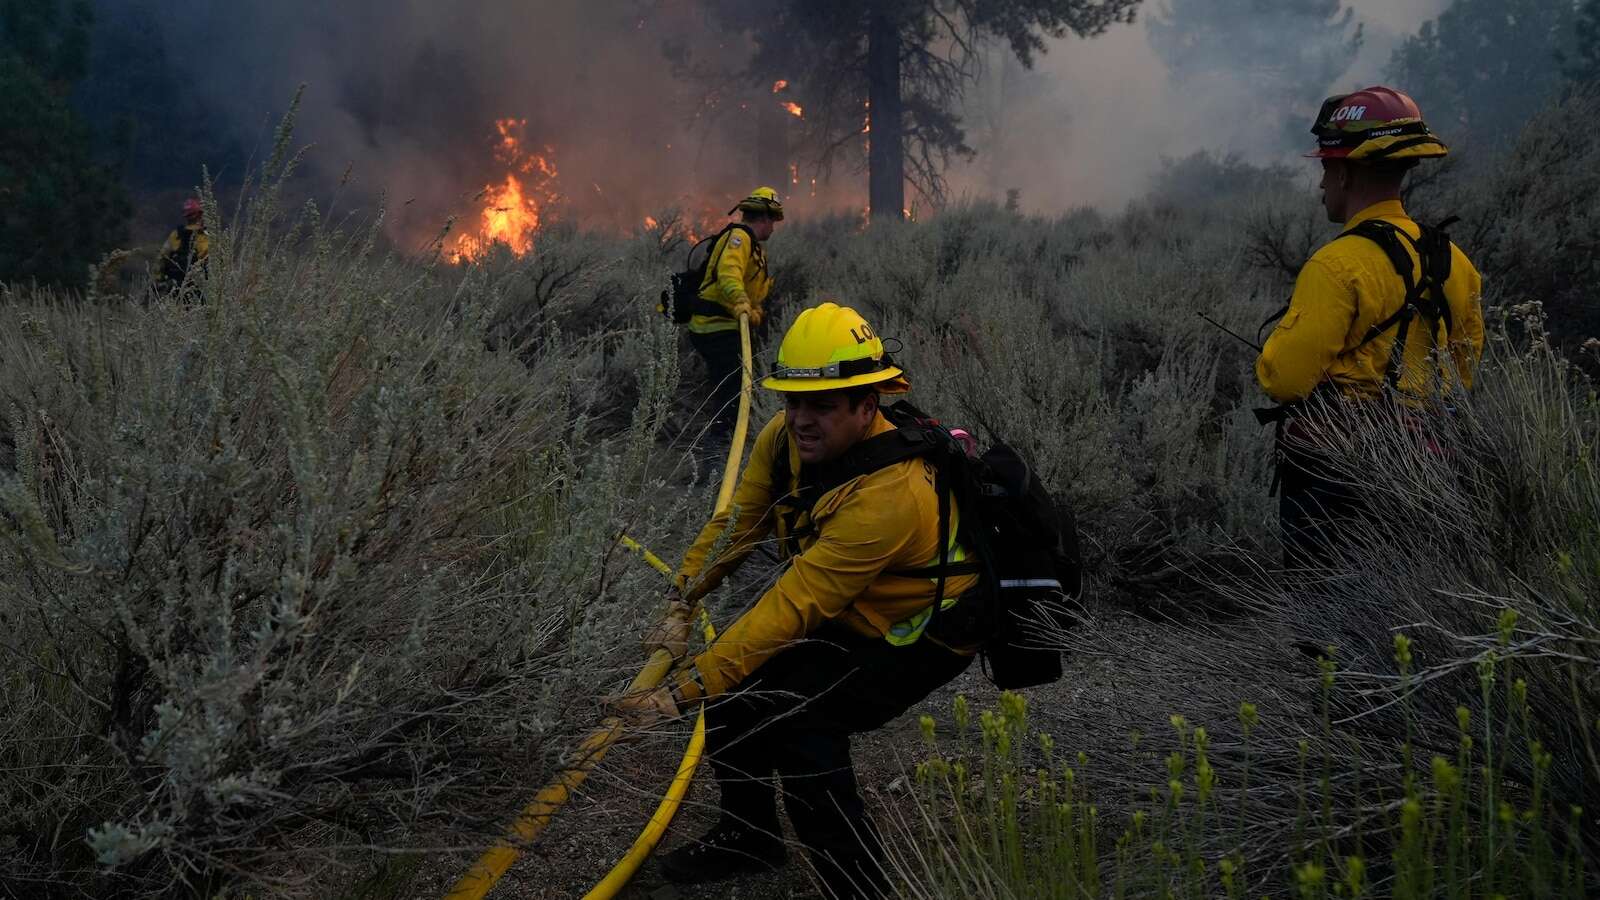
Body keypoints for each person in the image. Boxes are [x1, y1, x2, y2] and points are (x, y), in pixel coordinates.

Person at [623, 301, 981, 899]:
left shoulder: (891, 496)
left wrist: (676, 695)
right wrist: (679, 602)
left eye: (822, 405)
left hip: (924, 630)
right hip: (854, 607)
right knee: (739, 694)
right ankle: (750, 837)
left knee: (802, 720)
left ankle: (857, 888)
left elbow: (793, 608)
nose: (801, 419)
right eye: (792, 401)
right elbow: (737, 525)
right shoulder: (783, 440)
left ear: (868, 406)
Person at [1256, 86, 1484, 567]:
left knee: (1327, 622)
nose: (1321, 185)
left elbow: (1285, 379)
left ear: (1345, 172)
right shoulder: (1456, 263)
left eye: (1325, 170)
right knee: (1411, 611)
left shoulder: (1336, 265)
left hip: (1335, 475)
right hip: (1429, 463)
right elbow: (1462, 373)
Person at [688, 187, 781, 450]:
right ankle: (716, 452)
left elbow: (756, 289)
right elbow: (729, 273)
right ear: (763, 219)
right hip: (715, 327)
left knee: (732, 386)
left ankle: (722, 440)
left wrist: (756, 309)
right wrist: (740, 301)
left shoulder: (753, 245)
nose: (773, 228)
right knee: (733, 390)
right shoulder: (739, 238)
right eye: (772, 221)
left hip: (727, 326)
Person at [158, 198, 210, 290]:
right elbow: (209, 258)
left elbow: (162, 258)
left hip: (174, 286)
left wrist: (159, 280)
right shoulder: (204, 235)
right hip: (198, 287)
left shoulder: (176, 234)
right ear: (200, 214)